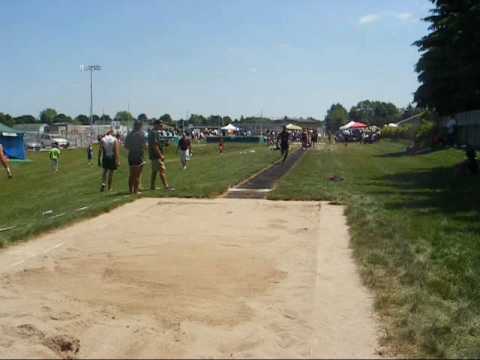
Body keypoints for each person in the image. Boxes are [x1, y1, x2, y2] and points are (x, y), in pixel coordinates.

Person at [148, 120, 174, 191]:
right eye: (160, 125)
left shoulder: (154, 133)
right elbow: (155, 146)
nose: (162, 126)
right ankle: (166, 187)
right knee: (162, 170)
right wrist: (160, 155)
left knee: (154, 171)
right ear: (155, 125)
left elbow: (158, 143)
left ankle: (152, 186)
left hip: (153, 155)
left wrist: (165, 143)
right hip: (156, 155)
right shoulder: (154, 133)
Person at [124, 121, 146, 195]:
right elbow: (144, 146)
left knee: (131, 174)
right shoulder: (141, 134)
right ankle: (136, 191)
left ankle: (130, 190)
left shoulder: (129, 134)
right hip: (139, 155)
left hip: (131, 155)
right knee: (137, 175)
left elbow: (126, 146)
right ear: (140, 126)